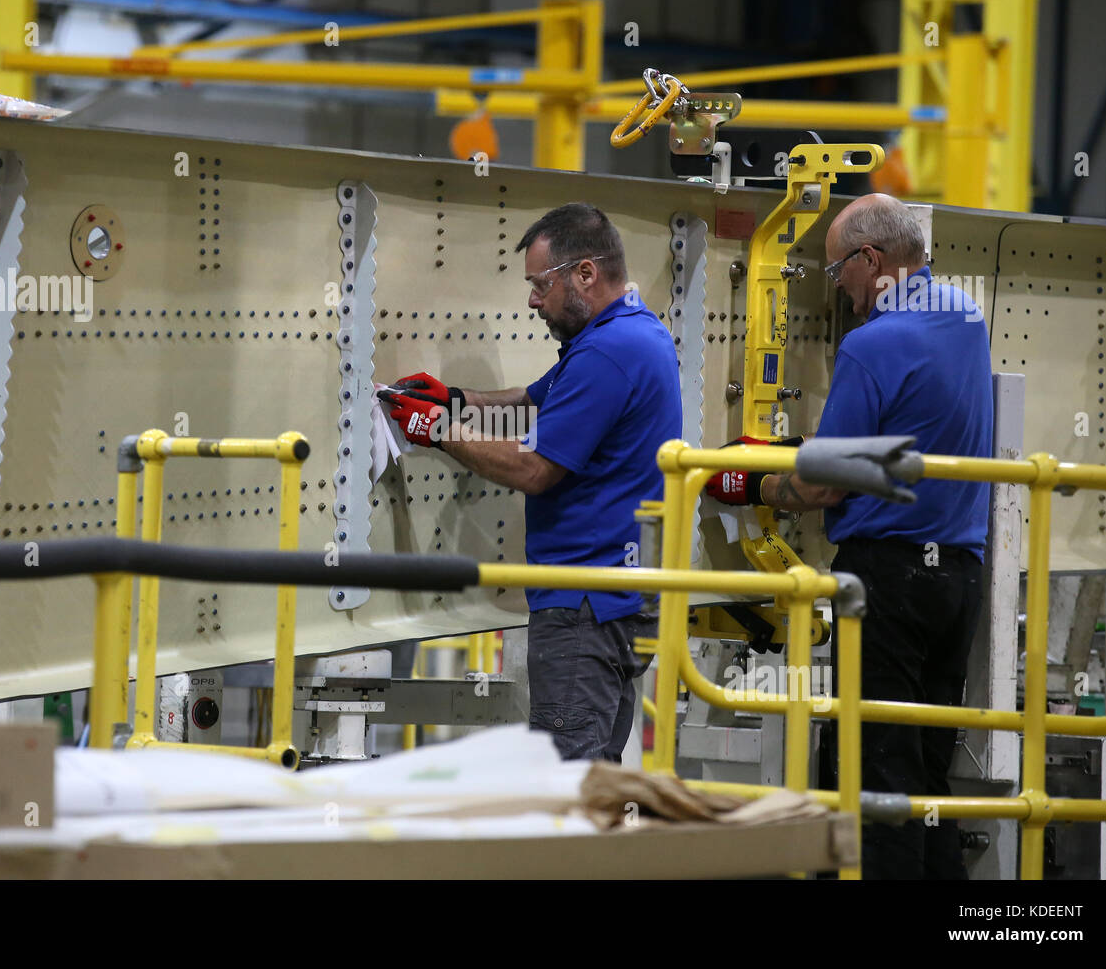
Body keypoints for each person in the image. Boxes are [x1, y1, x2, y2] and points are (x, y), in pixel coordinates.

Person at [706, 193, 993, 879]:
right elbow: (910, 426)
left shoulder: (871, 345)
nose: (842, 292)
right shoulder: (966, 315)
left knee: (874, 772)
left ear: (872, 260)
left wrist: (746, 483)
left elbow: (824, 488)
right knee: (926, 772)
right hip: (960, 577)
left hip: (887, 581)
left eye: (839, 274)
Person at [380, 203, 683, 762]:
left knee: (569, 781)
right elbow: (536, 397)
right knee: (597, 778)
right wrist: (458, 399)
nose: (532, 300)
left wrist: (438, 429)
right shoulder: (634, 332)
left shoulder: (607, 354)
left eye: (540, 285)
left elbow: (533, 470)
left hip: (583, 605)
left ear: (585, 274)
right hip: (618, 595)